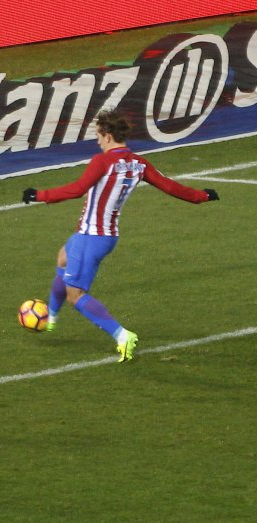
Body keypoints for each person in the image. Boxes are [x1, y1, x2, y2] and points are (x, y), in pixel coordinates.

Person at [22, 109, 219, 362]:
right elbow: (170, 186)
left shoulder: (102, 162)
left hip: (91, 236)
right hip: (106, 236)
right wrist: (202, 196)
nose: (97, 142)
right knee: (63, 258)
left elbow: (77, 190)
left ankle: (121, 335)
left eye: (98, 136)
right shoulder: (139, 163)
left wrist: (39, 195)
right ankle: (50, 317)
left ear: (107, 135)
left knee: (75, 296)